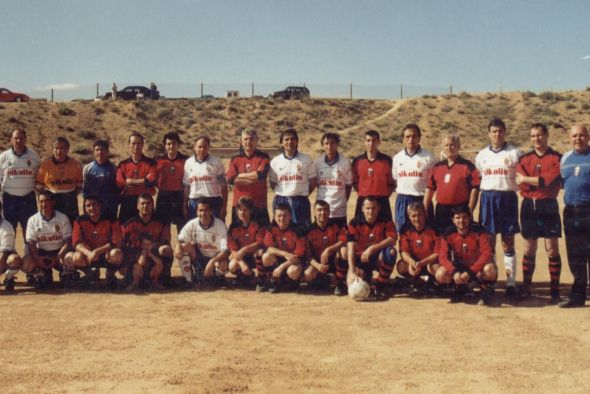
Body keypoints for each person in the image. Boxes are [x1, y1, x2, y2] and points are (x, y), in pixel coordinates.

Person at [515, 123, 563, 302]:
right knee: (529, 248)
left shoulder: (557, 158)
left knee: (552, 248)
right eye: (533, 136)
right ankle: (527, 288)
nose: (536, 139)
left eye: (540, 135)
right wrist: (536, 181)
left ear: (547, 135)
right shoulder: (524, 158)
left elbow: (549, 181)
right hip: (529, 205)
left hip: (549, 204)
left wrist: (530, 179)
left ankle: (555, 290)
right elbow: (521, 183)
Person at [475, 118, 522, 297]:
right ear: (489, 134)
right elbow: (479, 175)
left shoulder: (515, 153)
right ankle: (491, 281)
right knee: (489, 242)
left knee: (507, 242)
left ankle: (510, 284)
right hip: (488, 198)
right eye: (494, 131)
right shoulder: (481, 155)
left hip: (507, 198)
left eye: (500, 131)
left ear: (505, 132)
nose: (497, 134)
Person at [435, 205, 497, 306]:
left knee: (490, 269)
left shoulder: (479, 230)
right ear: (453, 220)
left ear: (469, 218)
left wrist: (471, 272)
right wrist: (454, 272)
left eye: (464, 217)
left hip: (477, 268)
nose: (461, 220)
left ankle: (485, 290)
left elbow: (486, 254)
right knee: (440, 274)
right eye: (458, 218)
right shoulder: (448, 233)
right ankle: (460, 288)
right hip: (460, 267)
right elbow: (443, 257)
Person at [559, 124, 590, 307]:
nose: (578, 139)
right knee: (575, 255)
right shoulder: (565, 158)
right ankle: (578, 296)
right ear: (570, 138)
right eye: (574, 135)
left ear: (588, 137)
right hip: (571, 211)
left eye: (582, 135)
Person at [424, 134, 480, 234]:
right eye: (446, 145)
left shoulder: (468, 166)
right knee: (442, 238)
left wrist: (470, 209)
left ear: (459, 147)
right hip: (441, 210)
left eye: (452, 145)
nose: (449, 148)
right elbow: (430, 189)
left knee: (460, 239)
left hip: (460, 210)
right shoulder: (437, 167)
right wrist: (425, 208)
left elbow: (474, 189)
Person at [65, 195, 124, 290]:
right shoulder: (79, 220)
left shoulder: (111, 219)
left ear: (100, 205)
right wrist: (89, 253)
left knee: (117, 253)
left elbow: (116, 241)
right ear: (84, 207)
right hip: (89, 255)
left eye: (94, 205)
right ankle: (91, 274)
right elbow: (76, 243)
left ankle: (110, 274)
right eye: (88, 205)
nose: (91, 208)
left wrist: (97, 251)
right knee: (76, 257)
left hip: (105, 254)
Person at [347, 196, 398, 299]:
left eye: (374, 208)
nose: (371, 211)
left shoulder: (385, 220)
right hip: (362, 258)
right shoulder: (354, 223)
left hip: (378, 257)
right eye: (368, 208)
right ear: (362, 209)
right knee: (353, 283)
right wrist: (352, 272)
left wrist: (372, 248)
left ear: (378, 208)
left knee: (391, 252)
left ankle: (381, 286)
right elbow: (351, 249)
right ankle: (367, 277)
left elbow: (393, 239)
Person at [121, 193, 172, 291]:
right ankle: (135, 281)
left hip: (154, 254)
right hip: (137, 256)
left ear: (153, 205)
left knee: (166, 249)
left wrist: (151, 248)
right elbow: (123, 243)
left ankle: (156, 281)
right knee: (134, 260)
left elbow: (166, 240)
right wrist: (140, 249)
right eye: (142, 203)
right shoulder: (129, 224)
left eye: (148, 203)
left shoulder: (160, 222)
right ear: (137, 206)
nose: (145, 206)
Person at [21, 191, 72, 288]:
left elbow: (67, 241)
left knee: (70, 257)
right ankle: (42, 273)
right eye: (41, 202)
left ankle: (65, 272)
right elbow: (31, 243)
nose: (44, 204)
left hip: (59, 253)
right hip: (42, 254)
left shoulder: (62, 217)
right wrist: (38, 259)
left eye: (47, 201)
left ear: (53, 202)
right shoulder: (33, 220)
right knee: (25, 264)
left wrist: (57, 257)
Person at [175, 197, 229, 287]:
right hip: (199, 258)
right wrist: (177, 247)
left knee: (224, 264)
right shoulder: (192, 223)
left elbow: (226, 250)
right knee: (183, 247)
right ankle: (189, 280)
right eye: (200, 210)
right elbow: (180, 239)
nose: (203, 213)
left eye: (206, 210)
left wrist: (212, 261)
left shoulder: (220, 225)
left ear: (211, 211)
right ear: (196, 212)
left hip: (214, 259)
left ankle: (217, 278)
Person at [269, 129, 317, 228]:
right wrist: (284, 193)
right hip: (281, 201)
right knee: (279, 232)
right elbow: (273, 183)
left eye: (292, 139)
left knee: (302, 231)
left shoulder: (306, 159)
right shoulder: (275, 161)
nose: (289, 142)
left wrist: (301, 194)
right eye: (286, 140)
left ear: (297, 141)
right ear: (282, 143)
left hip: (300, 201)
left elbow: (313, 182)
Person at [0, 129, 41, 246]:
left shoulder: (34, 157)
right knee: (9, 229)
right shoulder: (3, 157)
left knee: (29, 230)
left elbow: (39, 177)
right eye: (16, 138)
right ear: (11, 140)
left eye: (21, 138)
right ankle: (9, 258)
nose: (19, 140)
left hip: (28, 198)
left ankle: (29, 258)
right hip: (9, 199)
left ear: (25, 139)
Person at [392, 124, 436, 232]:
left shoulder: (429, 157)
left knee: (426, 233)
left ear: (419, 138)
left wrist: (425, 204)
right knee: (403, 232)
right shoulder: (397, 158)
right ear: (403, 139)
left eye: (414, 136)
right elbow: (395, 178)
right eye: (407, 137)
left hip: (421, 199)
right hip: (403, 200)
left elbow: (433, 184)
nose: (411, 139)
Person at [302, 200, 348, 295]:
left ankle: (339, 283)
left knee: (344, 250)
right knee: (307, 276)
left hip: (334, 262)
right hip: (318, 264)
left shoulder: (336, 225)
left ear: (329, 212)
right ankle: (326, 279)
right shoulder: (308, 230)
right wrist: (318, 266)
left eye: (325, 210)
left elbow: (343, 240)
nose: (322, 213)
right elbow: (308, 256)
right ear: (314, 212)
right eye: (319, 210)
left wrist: (329, 249)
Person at [226, 129, 271, 225]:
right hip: (240, 206)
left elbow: (261, 175)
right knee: (238, 236)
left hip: (258, 205)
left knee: (262, 236)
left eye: (251, 139)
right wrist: (253, 176)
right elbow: (230, 179)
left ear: (256, 140)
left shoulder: (264, 157)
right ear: (241, 141)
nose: (248, 142)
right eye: (245, 139)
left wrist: (239, 177)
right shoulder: (235, 158)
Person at [259, 202, 307, 293]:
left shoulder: (298, 231)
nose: (282, 219)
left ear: (290, 216)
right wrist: (284, 253)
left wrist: (281, 267)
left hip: (293, 262)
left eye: (285, 216)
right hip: (280, 259)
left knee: (293, 271)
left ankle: (293, 283)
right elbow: (267, 248)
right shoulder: (271, 228)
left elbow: (299, 256)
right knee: (266, 256)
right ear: (274, 216)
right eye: (279, 216)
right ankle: (273, 281)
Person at [395, 202, 440, 296]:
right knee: (401, 266)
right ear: (409, 216)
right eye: (413, 216)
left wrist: (422, 263)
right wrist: (411, 262)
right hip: (415, 264)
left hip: (429, 263)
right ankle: (416, 281)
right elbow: (403, 251)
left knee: (436, 268)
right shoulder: (405, 228)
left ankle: (434, 283)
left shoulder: (435, 228)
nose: (417, 219)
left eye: (419, 215)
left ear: (425, 213)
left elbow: (437, 253)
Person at [36, 137, 83, 222]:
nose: (59, 151)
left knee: (71, 225)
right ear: (53, 149)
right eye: (56, 148)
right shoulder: (45, 164)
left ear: (67, 149)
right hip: (52, 199)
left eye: (62, 148)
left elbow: (79, 185)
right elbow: (39, 186)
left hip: (70, 200)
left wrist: (69, 194)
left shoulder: (75, 164)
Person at [351, 129, 395, 222]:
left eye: (374, 140)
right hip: (363, 200)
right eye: (368, 140)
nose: (371, 143)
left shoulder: (386, 160)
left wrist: (384, 196)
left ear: (379, 142)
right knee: (361, 230)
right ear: (364, 142)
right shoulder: (358, 161)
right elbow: (354, 181)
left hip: (382, 201)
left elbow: (391, 183)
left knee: (385, 230)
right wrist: (363, 192)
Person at [116, 132, 158, 223]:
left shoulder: (151, 163)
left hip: (145, 202)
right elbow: (120, 183)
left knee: (148, 229)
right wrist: (144, 182)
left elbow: (152, 180)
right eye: (133, 143)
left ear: (142, 145)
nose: (136, 146)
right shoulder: (122, 164)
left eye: (138, 143)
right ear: (129, 145)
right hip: (128, 202)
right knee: (124, 230)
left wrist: (130, 181)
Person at [183, 136, 228, 220]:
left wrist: (224, 207)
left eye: (205, 147)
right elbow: (187, 186)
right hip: (194, 202)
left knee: (215, 230)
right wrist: (185, 205)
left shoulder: (216, 161)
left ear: (208, 148)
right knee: (196, 231)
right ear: (194, 147)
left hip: (213, 201)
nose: (202, 150)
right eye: (199, 147)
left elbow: (224, 186)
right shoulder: (188, 163)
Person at [314, 132, 353, 228]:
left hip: (339, 211)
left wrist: (342, 201)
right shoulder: (317, 163)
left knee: (340, 239)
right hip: (322, 210)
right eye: (326, 143)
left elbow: (348, 186)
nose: (329, 146)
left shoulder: (345, 163)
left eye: (332, 143)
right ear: (323, 145)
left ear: (337, 144)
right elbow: (317, 184)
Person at [227, 196, 265, 286]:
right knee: (232, 265)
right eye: (240, 210)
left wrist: (245, 249)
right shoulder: (233, 226)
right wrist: (241, 263)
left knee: (260, 252)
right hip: (242, 257)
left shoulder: (257, 223)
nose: (242, 213)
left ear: (250, 211)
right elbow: (233, 249)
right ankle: (246, 276)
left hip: (254, 256)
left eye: (245, 210)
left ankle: (261, 279)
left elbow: (260, 242)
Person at [156, 132, 188, 231]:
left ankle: (182, 246)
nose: (171, 146)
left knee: (182, 228)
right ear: (165, 146)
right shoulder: (158, 160)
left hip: (180, 196)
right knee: (163, 228)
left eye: (174, 143)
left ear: (178, 145)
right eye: (168, 144)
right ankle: (165, 246)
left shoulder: (186, 160)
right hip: (163, 196)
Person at [82, 140, 119, 221]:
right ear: (94, 152)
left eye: (102, 150)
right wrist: (86, 209)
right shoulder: (88, 168)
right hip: (93, 208)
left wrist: (114, 206)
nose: (100, 152)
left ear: (107, 152)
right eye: (97, 150)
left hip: (109, 207)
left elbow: (117, 191)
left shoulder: (114, 169)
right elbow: (85, 191)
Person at [0, 200, 22, 293]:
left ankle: (9, 277)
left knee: (14, 259)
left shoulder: (6, 227)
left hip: (4, 261)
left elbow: (3, 255)